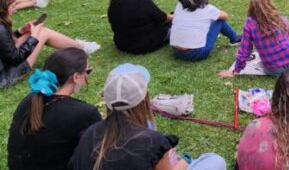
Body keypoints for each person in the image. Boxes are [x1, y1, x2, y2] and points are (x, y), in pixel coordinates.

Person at [70, 63, 226, 170]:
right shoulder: (153, 141)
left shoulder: (90, 132)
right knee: (214, 160)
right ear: (144, 100)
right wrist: (185, 160)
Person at [8, 48, 101, 170]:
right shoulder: (86, 113)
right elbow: (102, 151)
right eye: (87, 71)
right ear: (76, 77)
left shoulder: (30, 100)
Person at [0, 0, 100, 88]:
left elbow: (4, 44)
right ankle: (81, 47)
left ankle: (80, 46)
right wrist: (33, 37)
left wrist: (21, 31)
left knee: (35, 31)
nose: (14, 9)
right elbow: (16, 58)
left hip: (5, 62)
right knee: (42, 33)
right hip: (7, 74)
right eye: (12, 6)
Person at [218, 0, 289, 78]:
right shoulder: (280, 18)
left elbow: (245, 50)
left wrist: (235, 71)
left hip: (275, 70)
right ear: (270, 3)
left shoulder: (249, 24)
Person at [170, 0, 241, 61]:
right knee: (219, 20)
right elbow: (225, 16)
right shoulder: (207, 9)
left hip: (176, 50)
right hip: (196, 53)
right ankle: (234, 38)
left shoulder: (179, 5)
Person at [108, 0, 173, 55]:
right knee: (174, 26)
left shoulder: (113, 4)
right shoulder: (141, 1)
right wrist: (174, 16)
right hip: (144, 45)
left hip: (122, 44)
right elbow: (162, 18)